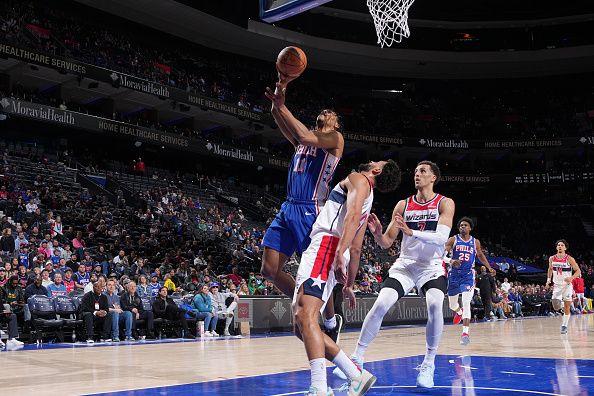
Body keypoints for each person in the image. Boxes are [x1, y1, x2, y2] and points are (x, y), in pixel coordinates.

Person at [337, 161, 454, 389]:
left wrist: (413, 233)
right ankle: (357, 358)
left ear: (433, 178)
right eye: (416, 171)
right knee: (381, 304)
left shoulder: (445, 203)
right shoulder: (403, 204)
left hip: (431, 266)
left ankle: (429, 362)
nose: (417, 174)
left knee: (434, 304)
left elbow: (441, 238)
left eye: (423, 171)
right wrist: (378, 233)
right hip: (406, 265)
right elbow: (387, 242)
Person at [293, 159, 401, 395]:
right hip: (332, 249)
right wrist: (349, 284)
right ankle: (356, 375)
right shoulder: (368, 197)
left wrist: (338, 252)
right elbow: (358, 247)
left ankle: (319, 388)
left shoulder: (358, 178)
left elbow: (351, 217)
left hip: (326, 245)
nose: (371, 160)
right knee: (301, 327)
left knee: (306, 315)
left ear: (376, 170)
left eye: (376, 161)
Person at [262, 74, 345, 342]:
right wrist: (280, 90)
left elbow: (302, 134)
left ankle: (331, 320)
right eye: (323, 111)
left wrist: (284, 107)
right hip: (289, 208)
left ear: (336, 123)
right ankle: (306, 298)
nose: (325, 113)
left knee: (321, 273)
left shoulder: (334, 139)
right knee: (269, 271)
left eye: (330, 113)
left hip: (312, 209)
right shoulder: (303, 142)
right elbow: (277, 113)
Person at [445, 217, 495, 345]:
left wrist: (489, 267)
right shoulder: (453, 239)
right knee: (452, 305)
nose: (463, 227)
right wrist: (450, 261)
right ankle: (459, 311)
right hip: (454, 275)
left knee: (466, 302)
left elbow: (480, 255)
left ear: (470, 228)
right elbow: (442, 254)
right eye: (461, 225)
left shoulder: (475, 242)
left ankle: (465, 333)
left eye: (465, 225)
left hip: (468, 275)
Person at [547, 239, 581, 334]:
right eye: (558, 245)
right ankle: (561, 305)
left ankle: (564, 326)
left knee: (567, 306)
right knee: (555, 306)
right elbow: (550, 269)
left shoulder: (569, 259)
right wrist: (548, 281)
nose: (560, 246)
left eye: (562, 245)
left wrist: (571, 278)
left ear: (565, 248)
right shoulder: (552, 258)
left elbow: (578, 271)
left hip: (567, 286)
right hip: (557, 285)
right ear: (556, 247)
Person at [0, 285, 24, 350]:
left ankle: (11, 339)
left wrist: (5, 312)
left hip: (1, 315)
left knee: (12, 316)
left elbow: (1, 308)